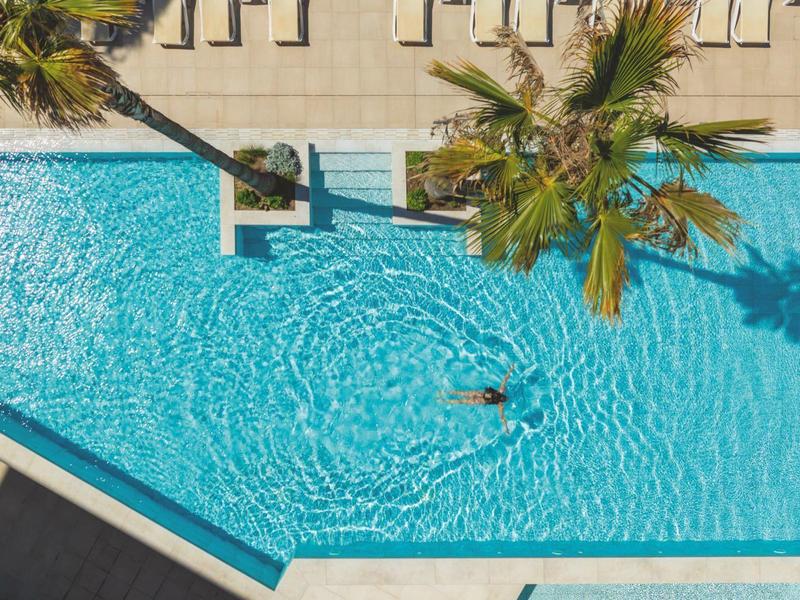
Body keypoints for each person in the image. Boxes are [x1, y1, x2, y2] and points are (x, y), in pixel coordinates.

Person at [442, 365, 515, 433]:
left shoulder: (500, 391)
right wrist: (506, 428)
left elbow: (505, 379)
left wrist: (511, 369)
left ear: (503, 394)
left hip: (480, 394)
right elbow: (502, 418)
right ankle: (445, 400)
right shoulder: (500, 405)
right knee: (461, 401)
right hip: (480, 401)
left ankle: (445, 392)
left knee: (462, 393)